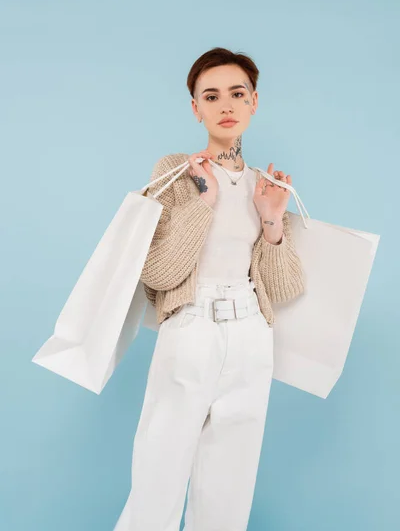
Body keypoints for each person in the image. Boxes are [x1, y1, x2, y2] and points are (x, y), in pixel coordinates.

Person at [114, 47, 305, 531]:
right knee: (158, 474)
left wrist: (273, 221)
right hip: (191, 327)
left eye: (237, 94)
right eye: (211, 95)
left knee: (229, 487)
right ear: (195, 108)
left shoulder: (266, 185)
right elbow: (157, 273)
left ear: (254, 102)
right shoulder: (177, 172)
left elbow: (282, 287)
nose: (226, 105)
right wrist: (204, 204)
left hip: (251, 336)